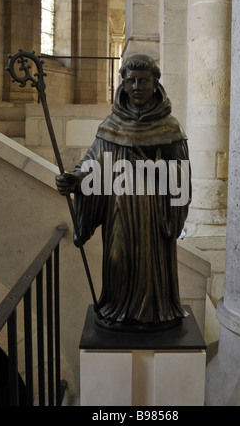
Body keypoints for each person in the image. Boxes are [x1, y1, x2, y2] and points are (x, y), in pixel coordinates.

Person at [56, 54, 191, 331]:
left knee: (152, 268)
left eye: (144, 80)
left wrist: (155, 170)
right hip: (119, 210)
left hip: (154, 213)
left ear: (155, 84)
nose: (137, 86)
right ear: (123, 84)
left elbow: (182, 177)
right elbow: (93, 162)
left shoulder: (170, 128)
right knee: (117, 258)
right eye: (131, 81)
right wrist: (76, 179)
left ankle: (155, 313)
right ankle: (118, 310)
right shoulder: (111, 126)